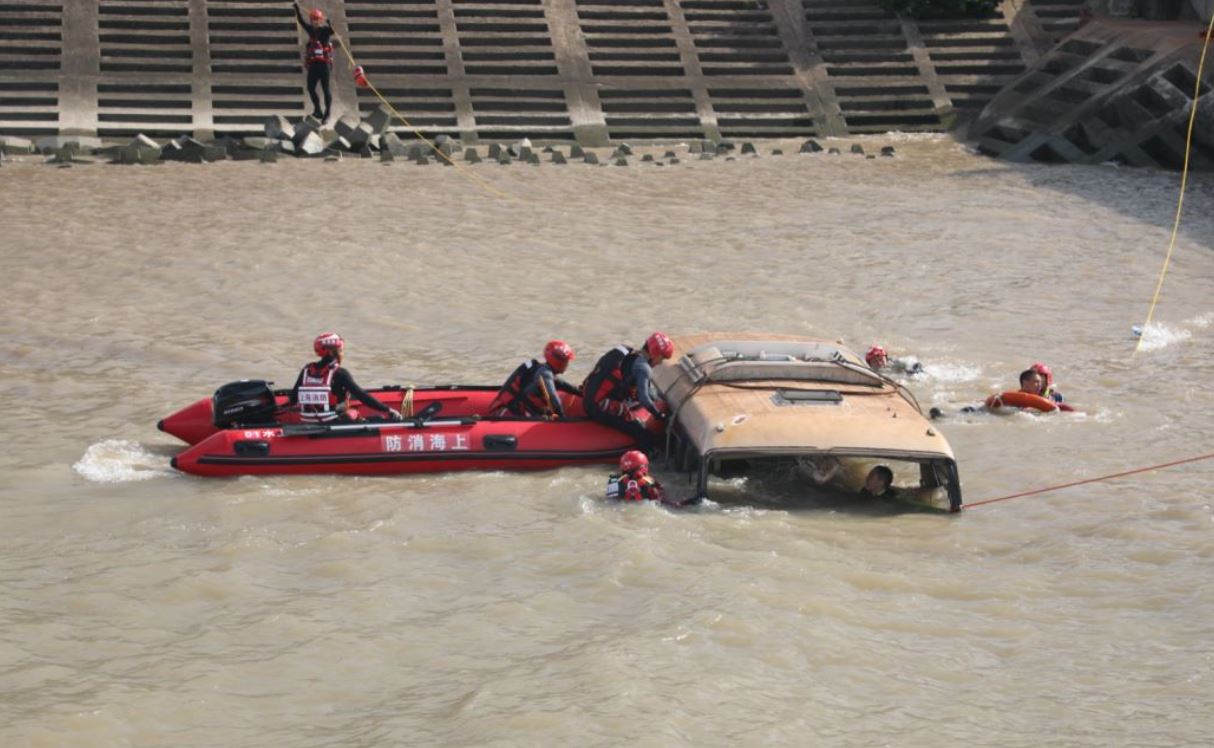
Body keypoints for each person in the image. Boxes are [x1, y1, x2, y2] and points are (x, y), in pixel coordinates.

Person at [582, 332, 674, 453]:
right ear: (655, 354)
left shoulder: (625, 351)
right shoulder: (643, 368)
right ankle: (649, 456)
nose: (660, 363)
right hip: (598, 406)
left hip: (588, 396)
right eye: (661, 358)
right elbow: (644, 400)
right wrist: (660, 415)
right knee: (642, 431)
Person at [288, 332, 401, 423]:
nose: (343, 354)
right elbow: (362, 396)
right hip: (333, 423)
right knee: (374, 417)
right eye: (341, 350)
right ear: (332, 352)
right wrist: (387, 409)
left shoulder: (306, 371)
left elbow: (293, 399)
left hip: (308, 422)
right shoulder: (340, 373)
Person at [487, 340, 580, 419]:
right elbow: (552, 397)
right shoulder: (545, 374)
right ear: (558, 362)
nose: (567, 364)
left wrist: (581, 392)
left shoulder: (542, 370)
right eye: (566, 361)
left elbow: (564, 385)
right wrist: (562, 419)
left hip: (512, 411)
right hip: (508, 414)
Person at [293, 2, 336, 123]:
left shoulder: (325, 31)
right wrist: (297, 8)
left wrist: (330, 23)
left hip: (324, 65)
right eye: (313, 20)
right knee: (310, 88)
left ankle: (327, 113)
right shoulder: (311, 30)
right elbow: (301, 21)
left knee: (325, 89)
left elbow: (333, 31)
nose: (314, 22)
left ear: (320, 20)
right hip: (313, 65)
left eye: (316, 19)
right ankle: (317, 109)